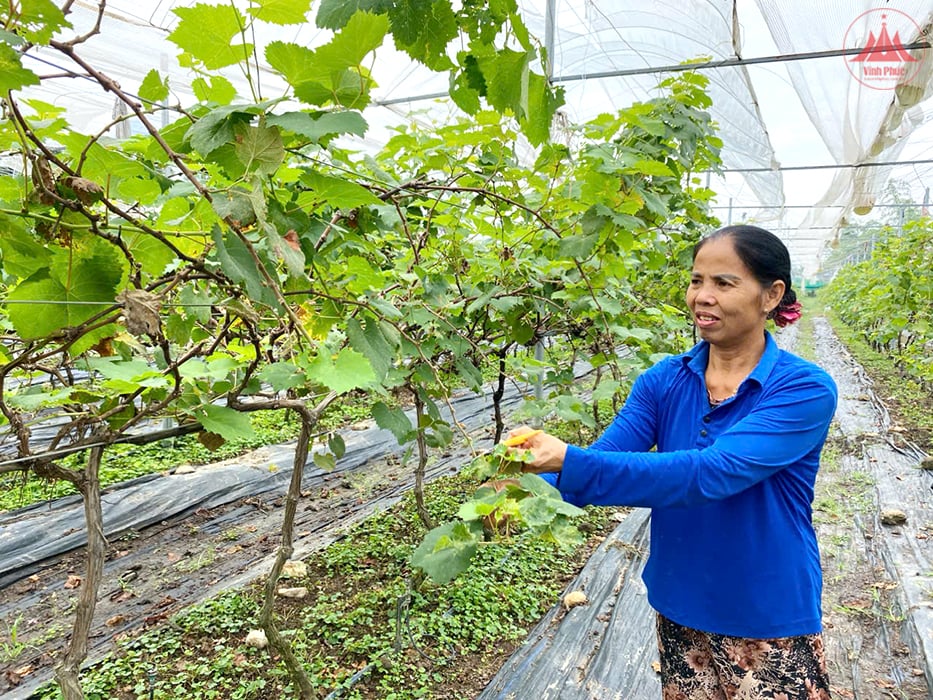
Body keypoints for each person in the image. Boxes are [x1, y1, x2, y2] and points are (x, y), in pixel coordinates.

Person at [508, 225, 837, 700]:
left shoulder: (802, 389)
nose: (703, 296)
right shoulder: (663, 381)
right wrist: (520, 481)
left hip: (765, 608)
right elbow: (599, 464)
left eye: (724, 283)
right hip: (679, 599)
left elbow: (709, 474)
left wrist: (568, 460)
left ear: (772, 295)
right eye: (696, 280)